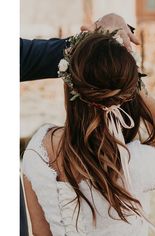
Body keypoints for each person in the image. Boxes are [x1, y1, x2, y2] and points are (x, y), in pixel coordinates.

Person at [22, 27, 155, 236]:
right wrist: (138, 87)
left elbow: (40, 232)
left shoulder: (38, 153)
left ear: (68, 84)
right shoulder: (133, 164)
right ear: (126, 91)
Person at [20, 13, 140, 236]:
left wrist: (106, 39)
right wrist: (125, 86)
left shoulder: (36, 156)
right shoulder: (137, 163)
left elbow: (29, 55)